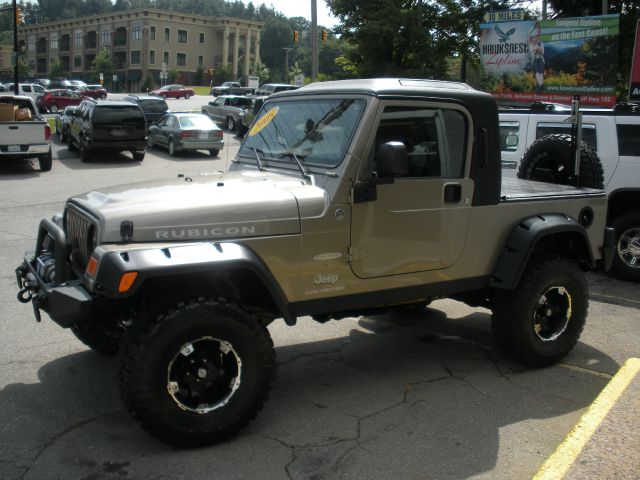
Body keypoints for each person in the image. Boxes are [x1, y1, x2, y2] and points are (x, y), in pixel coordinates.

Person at [529, 22, 545, 92]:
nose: (534, 39)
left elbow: (542, 52)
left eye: (535, 38)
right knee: (537, 72)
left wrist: (538, 28)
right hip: (534, 60)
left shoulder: (540, 44)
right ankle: (540, 84)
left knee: (541, 73)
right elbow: (534, 53)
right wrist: (533, 26)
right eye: (533, 38)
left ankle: (540, 85)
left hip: (540, 59)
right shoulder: (531, 45)